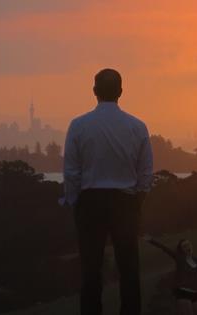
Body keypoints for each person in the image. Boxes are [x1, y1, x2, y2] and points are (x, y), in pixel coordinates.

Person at [63, 68, 153, 315]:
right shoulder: (137, 127)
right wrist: (138, 200)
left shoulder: (79, 125)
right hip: (125, 203)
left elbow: (71, 171)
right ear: (121, 92)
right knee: (129, 270)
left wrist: (75, 201)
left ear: (94, 92)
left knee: (91, 271)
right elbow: (145, 172)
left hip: (90, 202)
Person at [143, 236, 197, 315]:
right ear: (181, 249)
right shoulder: (179, 258)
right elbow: (165, 248)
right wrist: (151, 240)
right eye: (184, 246)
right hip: (183, 292)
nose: (187, 247)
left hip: (195, 294)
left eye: (188, 244)